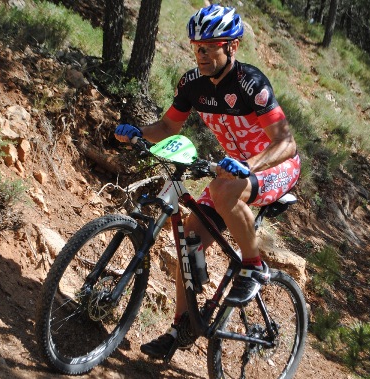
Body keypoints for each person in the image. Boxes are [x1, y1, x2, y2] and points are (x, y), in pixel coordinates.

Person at [114, 4, 301, 359]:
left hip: (278, 165)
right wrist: (139, 133)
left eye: (208, 47)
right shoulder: (192, 85)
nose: (200, 54)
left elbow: (286, 142)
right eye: (196, 47)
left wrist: (250, 165)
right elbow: (169, 127)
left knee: (222, 189)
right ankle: (182, 327)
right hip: (233, 170)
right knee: (189, 238)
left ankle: (254, 265)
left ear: (231, 47)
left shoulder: (251, 83)